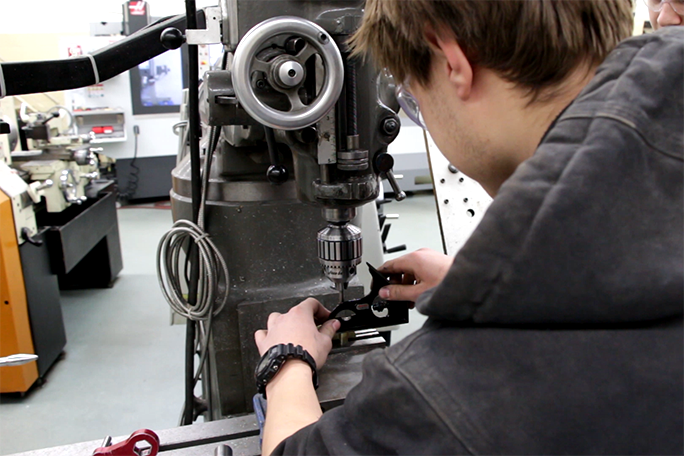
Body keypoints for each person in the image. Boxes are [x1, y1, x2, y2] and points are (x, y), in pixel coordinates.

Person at [255, 1, 684, 454]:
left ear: (452, 60)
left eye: (413, 99)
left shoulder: (448, 391)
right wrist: (502, 282)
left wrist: (287, 364)